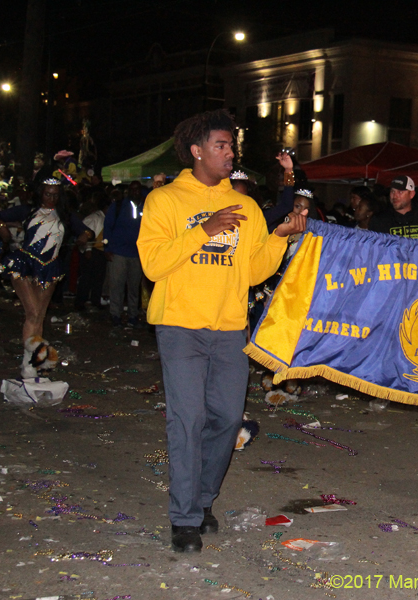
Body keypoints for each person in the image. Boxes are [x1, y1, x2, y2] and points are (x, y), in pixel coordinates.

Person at [137, 109, 307, 553]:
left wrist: (279, 237)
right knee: (187, 420)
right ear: (196, 151)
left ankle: (203, 498)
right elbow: (153, 264)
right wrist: (204, 230)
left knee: (228, 419)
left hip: (230, 329)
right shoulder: (165, 201)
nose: (231, 153)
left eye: (232, 146)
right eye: (221, 145)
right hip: (180, 327)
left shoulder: (248, 206)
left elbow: (252, 273)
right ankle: (185, 518)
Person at [0, 178, 93, 373]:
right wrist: (2, 230)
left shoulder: (65, 214)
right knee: (32, 313)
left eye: (56, 194)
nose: (51, 198)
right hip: (25, 264)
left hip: (49, 268)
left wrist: (84, 237)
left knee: (40, 315)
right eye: (48, 194)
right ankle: (32, 359)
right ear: (41, 193)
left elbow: (87, 230)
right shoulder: (27, 211)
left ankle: (32, 362)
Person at [103, 182, 144, 328]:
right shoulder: (119, 206)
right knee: (117, 286)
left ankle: (133, 315)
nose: (135, 192)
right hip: (118, 252)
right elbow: (107, 225)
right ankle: (116, 314)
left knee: (134, 287)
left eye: (137, 189)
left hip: (137, 254)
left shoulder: (146, 207)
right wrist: (107, 247)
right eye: (132, 189)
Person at [368, 175, 418, 239]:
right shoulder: (379, 220)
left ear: (411, 194)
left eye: (400, 192)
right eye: (392, 191)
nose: (394, 196)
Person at [74, 191, 109, 311]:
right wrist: (88, 249)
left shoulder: (105, 218)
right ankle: (80, 302)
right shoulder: (95, 218)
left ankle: (95, 300)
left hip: (100, 252)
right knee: (86, 278)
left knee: (98, 278)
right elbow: (86, 233)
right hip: (92, 251)